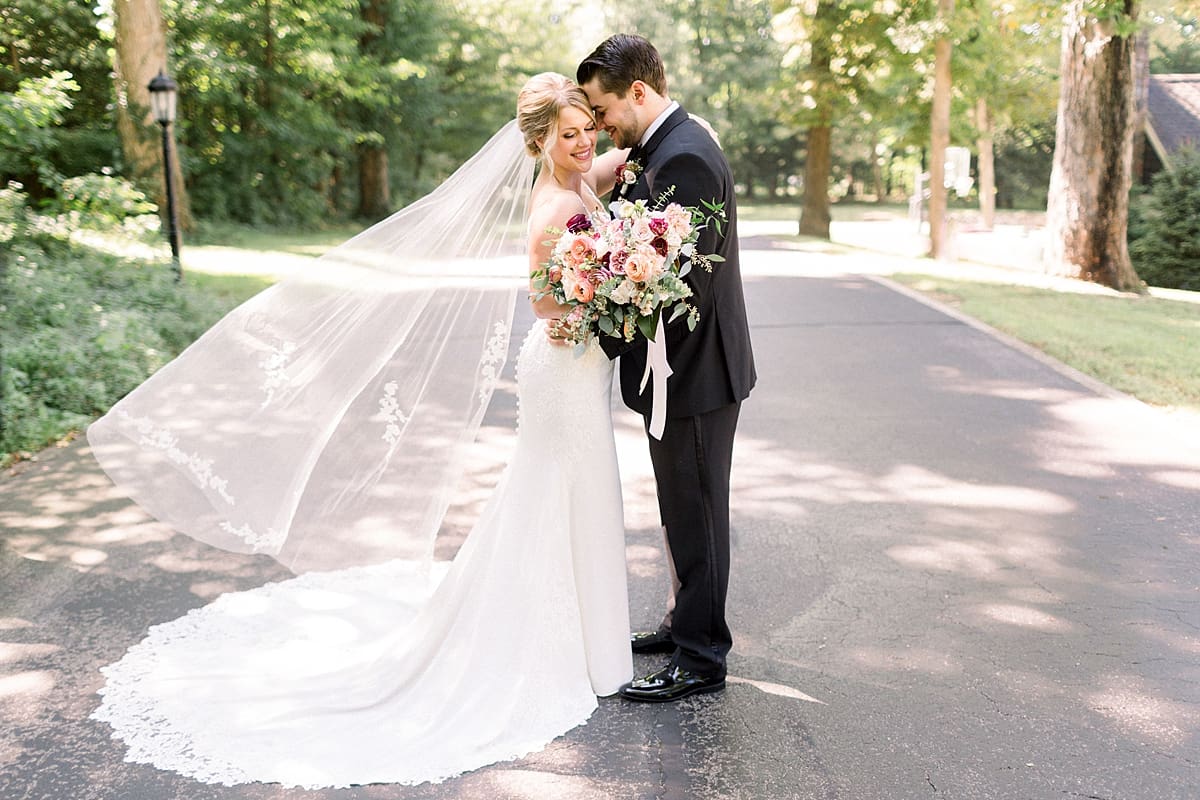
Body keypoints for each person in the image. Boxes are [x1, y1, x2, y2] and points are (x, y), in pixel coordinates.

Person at [85, 73, 635, 788]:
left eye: (588, 128)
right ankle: (558, 647)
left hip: (579, 370)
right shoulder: (554, 205)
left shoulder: (580, 177)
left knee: (577, 492)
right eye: (569, 134)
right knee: (555, 494)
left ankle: (592, 644)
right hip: (560, 368)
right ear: (539, 143)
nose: (585, 141)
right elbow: (540, 302)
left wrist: (648, 159)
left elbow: (615, 164)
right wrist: (607, 293)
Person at [577, 34, 757, 703]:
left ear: (638, 92)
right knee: (679, 507)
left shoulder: (684, 157)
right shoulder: (662, 148)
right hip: (678, 372)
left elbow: (681, 287)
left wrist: (603, 333)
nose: (601, 125)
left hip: (696, 372)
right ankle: (683, 622)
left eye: (602, 111)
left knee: (698, 513)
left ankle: (701, 658)